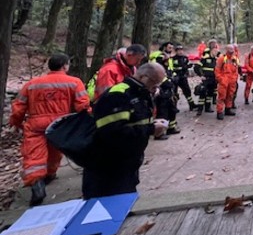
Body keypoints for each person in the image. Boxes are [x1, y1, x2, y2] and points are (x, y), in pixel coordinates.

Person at [10, 54, 91, 205]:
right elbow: (83, 106)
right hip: (60, 124)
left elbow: (18, 107)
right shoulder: (74, 82)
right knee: (55, 152)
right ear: (65, 66)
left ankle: (37, 185)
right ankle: (49, 174)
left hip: (36, 123)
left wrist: (16, 122)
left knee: (34, 155)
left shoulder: (32, 84)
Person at [82, 63, 167, 199]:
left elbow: (135, 121)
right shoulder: (118, 95)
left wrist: (152, 125)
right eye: (154, 83)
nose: (155, 88)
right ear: (143, 77)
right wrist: (151, 129)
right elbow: (112, 133)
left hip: (128, 164)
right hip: (109, 168)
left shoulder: (140, 93)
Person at [193, 41, 219, 115]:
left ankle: (208, 108)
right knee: (202, 93)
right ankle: (200, 109)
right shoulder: (205, 58)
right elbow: (197, 67)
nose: (215, 52)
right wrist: (201, 75)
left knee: (210, 94)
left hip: (213, 79)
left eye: (216, 51)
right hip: (206, 79)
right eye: (214, 51)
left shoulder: (216, 60)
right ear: (211, 51)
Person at [215, 44, 239, 119]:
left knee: (230, 95)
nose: (231, 51)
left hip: (232, 81)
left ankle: (228, 109)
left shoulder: (234, 59)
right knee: (222, 96)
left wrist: (235, 78)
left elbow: (236, 70)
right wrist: (221, 79)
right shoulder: (221, 58)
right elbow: (217, 70)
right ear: (226, 50)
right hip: (224, 80)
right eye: (230, 49)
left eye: (232, 49)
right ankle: (219, 112)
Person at [171, 45, 195, 111]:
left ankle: (191, 104)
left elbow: (188, 65)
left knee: (187, 91)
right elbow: (173, 68)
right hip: (175, 78)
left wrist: (189, 66)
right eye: (179, 50)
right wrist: (183, 67)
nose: (180, 52)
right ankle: (174, 107)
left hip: (183, 77)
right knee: (174, 92)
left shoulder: (185, 58)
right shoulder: (173, 59)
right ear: (176, 51)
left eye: (181, 50)